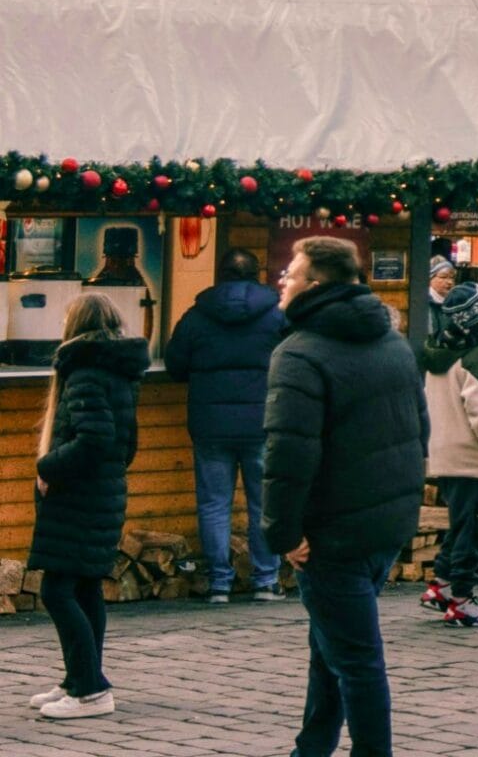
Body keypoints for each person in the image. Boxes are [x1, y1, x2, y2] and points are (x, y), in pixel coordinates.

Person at [262, 236, 430, 753]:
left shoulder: (300, 354)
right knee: (330, 647)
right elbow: (419, 431)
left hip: (331, 535)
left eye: (290, 273)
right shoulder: (392, 343)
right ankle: (311, 747)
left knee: (355, 659)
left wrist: (285, 534)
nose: (281, 281)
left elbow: (289, 457)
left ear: (315, 285)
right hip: (384, 526)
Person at [25, 292, 146, 720]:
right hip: (103, 491)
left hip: (79, 496)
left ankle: (91, 689)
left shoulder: (85, 373)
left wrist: (48, 466)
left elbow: (93, 439)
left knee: (57, 590)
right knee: (85, 586)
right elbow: (123, 443)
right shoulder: (120, 372)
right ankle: (80, 678)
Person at [163, 245, 287, 605]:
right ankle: (265, 581)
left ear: (220, 276)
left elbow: (175, 366)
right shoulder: (277, 315)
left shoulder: (197, 316)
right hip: (263, 422)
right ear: (256, 274)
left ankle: (220, 584)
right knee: (263, 504)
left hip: (211, 425)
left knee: (214, 503)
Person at [420, 277, 478, 626]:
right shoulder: (476, 358)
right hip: (471, 457)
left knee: (458, 522)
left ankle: (441, 584)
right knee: (471, 527)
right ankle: (463, 598)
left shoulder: (436, 352)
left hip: (444, 451)